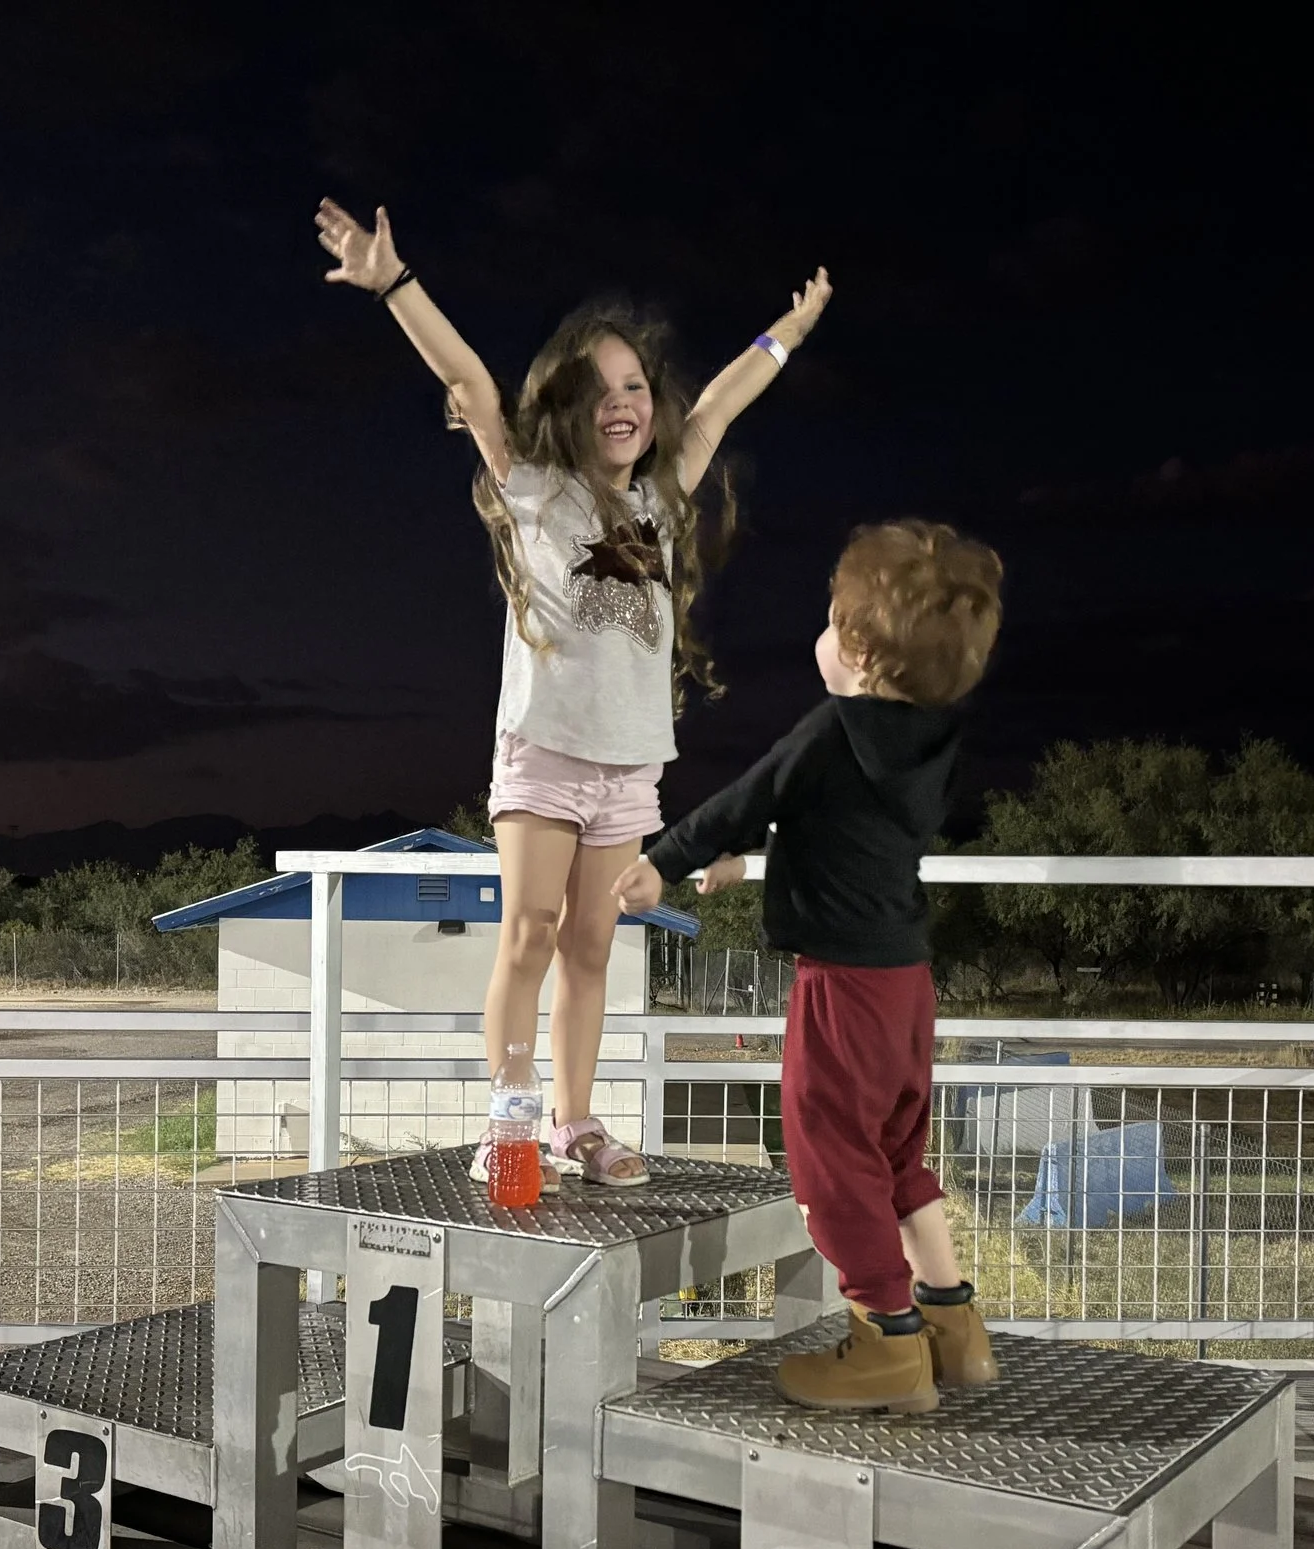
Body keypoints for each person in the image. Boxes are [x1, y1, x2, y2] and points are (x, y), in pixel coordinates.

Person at [315, 198, 829, 1189]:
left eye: (633, 384)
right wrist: (393, 285)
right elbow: (466, 375)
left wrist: (787, 333)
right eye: (596, 389)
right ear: (567, 407)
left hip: (629, 762)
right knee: (528, 932)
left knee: (593, 945)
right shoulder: (534, 484)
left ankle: (573, 1122)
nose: (619, 401)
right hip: (545, 753)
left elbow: (722, 402)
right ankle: (508, 1122)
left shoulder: (665, 495)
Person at [615, 521, 1003, 1410]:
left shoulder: (831, 729)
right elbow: (834, 825)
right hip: (907, 983)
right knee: (898, 1154)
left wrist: (662, 864)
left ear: (861, 652)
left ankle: (887, 1345)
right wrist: (756, 856)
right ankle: (955, 1327)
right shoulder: (934, 744)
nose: (819, 639)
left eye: (832, 624)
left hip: (842, 989)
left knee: (831, 1164)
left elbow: (749, 796)